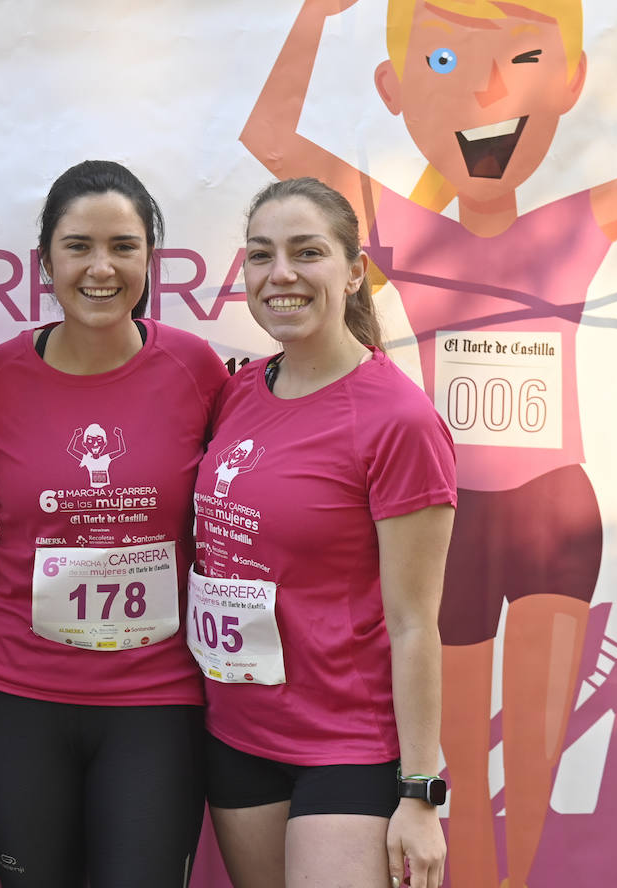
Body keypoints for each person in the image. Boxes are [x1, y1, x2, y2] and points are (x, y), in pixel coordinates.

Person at [241, 3, 617, 884]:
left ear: (568, 85)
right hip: (455, 521)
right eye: (443, 63)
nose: (482, 93)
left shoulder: (574, 224)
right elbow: (271, 135)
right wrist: (316, 18)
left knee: (536, 772)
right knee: (456, 770)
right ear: (398, 94)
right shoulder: (404, 229)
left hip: (557, 510)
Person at [0, 160, 229, 886]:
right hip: (21, 695)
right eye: (77, 246)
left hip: (155, 701)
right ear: (45, 260)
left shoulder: (197, 370)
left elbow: (250, 502)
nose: (100, 268)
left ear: (149, 258)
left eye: (123, 246)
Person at [189, 177, 455, 888]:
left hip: (347, 747)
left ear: (354, 270)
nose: (281, 275)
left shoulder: (397, 420)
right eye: (260, 255)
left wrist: (420, 791)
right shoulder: (238, 393)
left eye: (307, 252)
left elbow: (413, 623)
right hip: (238, 735)